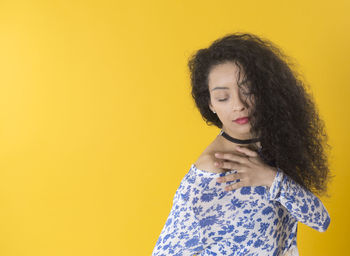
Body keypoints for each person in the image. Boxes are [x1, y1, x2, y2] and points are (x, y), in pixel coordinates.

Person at [151, 32, 332, 256]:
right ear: (210, 105)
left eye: (248, 91)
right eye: (223, 98)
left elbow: (320, 220)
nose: (238, 105)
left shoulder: (274, 145)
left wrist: (270, 177)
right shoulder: (213, 169)